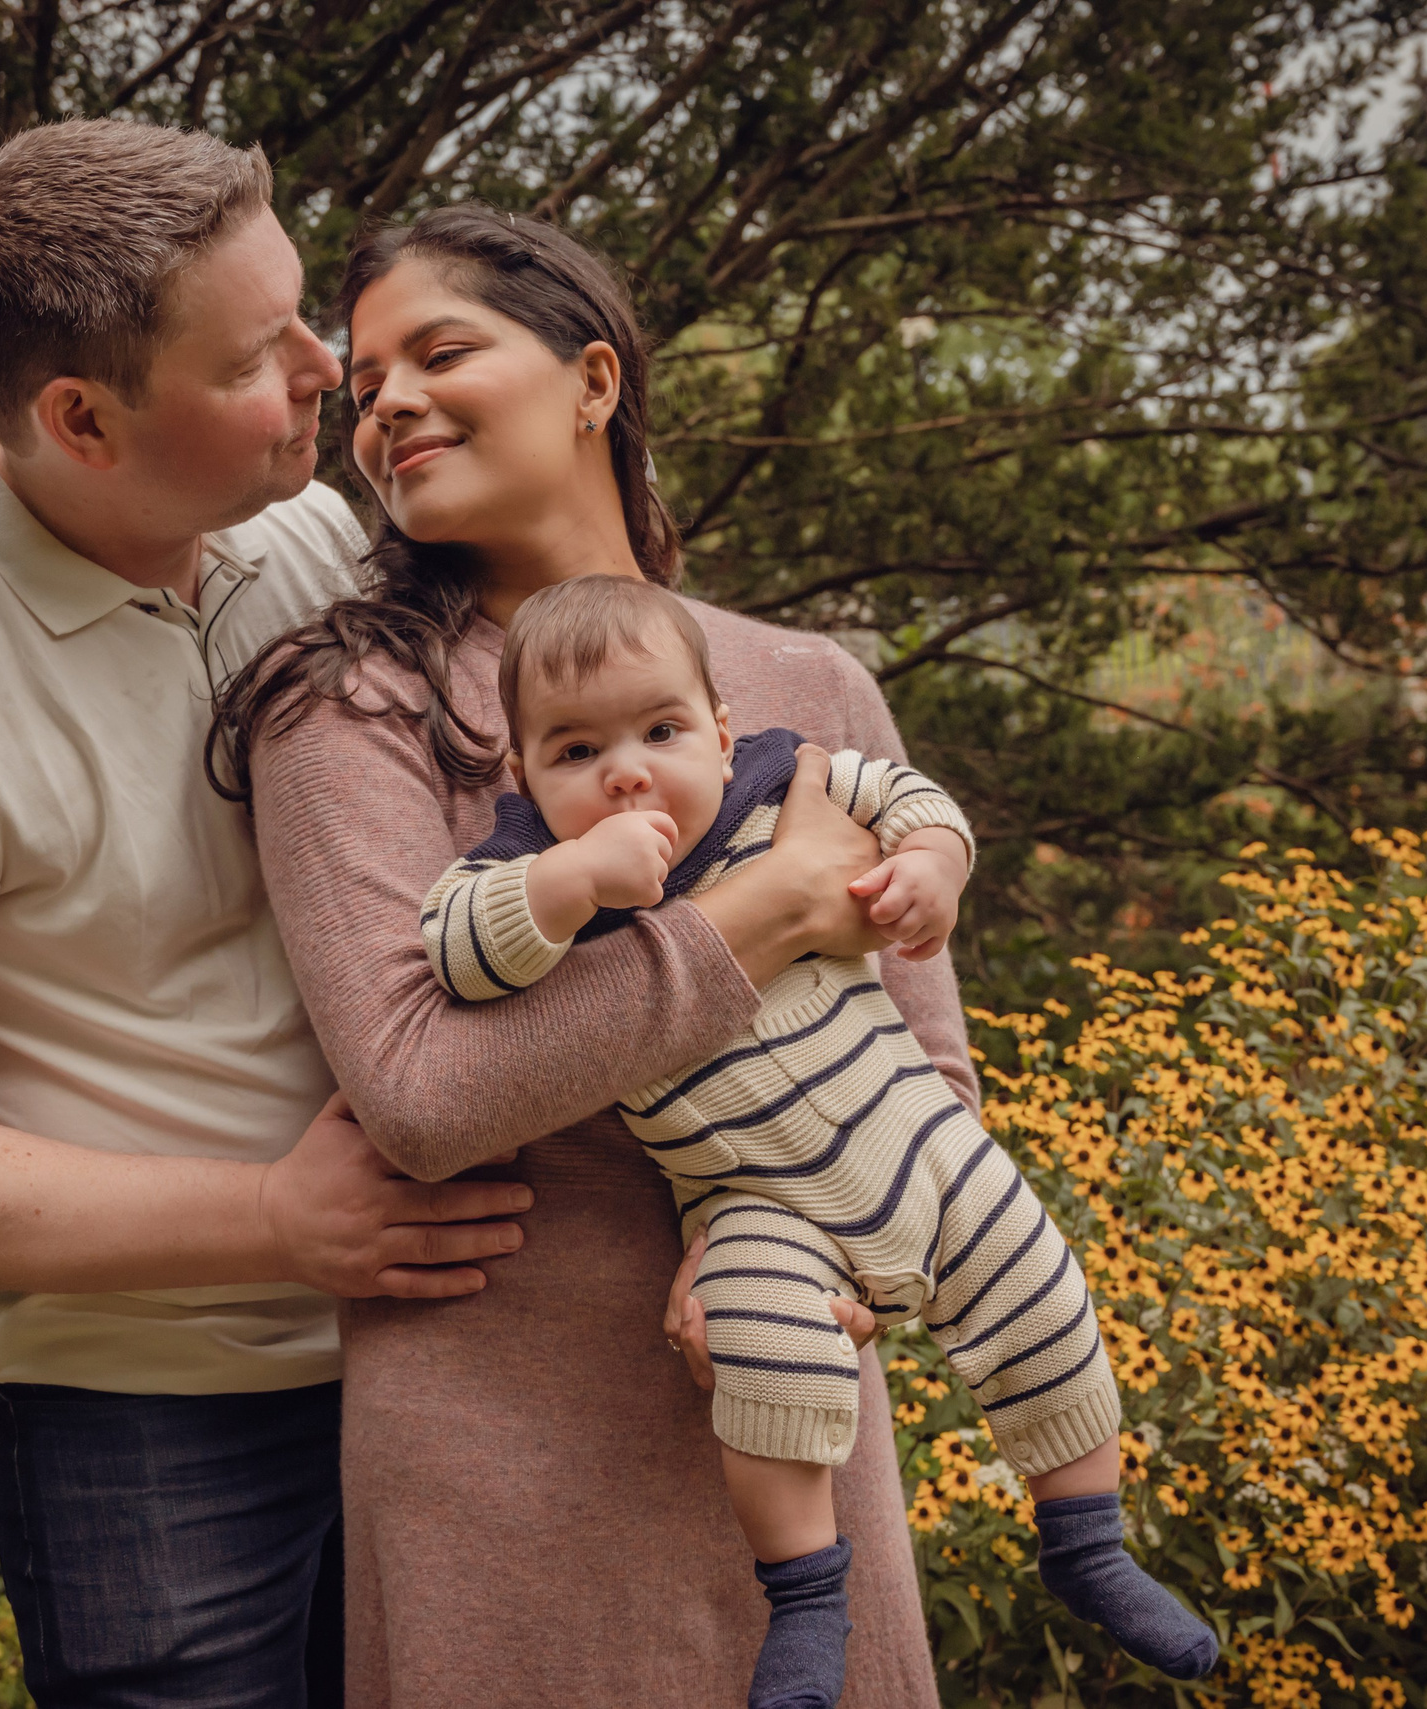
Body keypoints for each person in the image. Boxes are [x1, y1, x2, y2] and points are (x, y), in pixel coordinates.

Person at [0, 120, 540, 1708]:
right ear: (82, 419)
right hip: (151, 1425)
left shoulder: (307, 534)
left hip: (438, 1357)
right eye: (263, 354)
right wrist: (278, 1220)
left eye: (307, 312)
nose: (333, 369)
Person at [208, 205, 956, 1707]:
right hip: (497, 1462)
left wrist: (832, 1268)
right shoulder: (350, 709)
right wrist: (762, 913)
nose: (388, 403)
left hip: (790, 1420)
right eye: (365, 385)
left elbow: (929, 1082)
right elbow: (420, 1090)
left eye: (440, 350)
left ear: (594, 382)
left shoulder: (809, 684)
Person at [422, 574, 1220, 1707]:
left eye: (659, 730)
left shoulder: (777, 783)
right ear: (524, 777)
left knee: (1039, 1287)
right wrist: (563, 883)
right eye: (574, 750)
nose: (625, 771)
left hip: (912, 1134)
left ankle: (1087, 1543)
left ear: (719, 728)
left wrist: (934, 864)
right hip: (751, 1204)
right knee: (760, 1348)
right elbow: (452, 952)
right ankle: (805, 1601)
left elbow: (909, 796)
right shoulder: (526, 867)